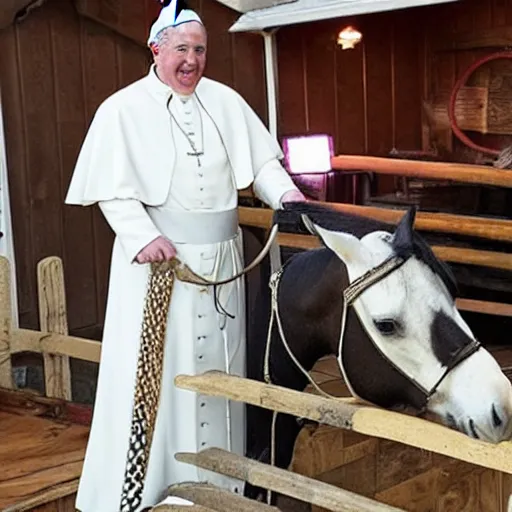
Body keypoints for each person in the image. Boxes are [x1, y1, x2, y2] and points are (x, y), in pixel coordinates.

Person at [64, 1, 306, 511]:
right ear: (156, 50)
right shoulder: (122, 109)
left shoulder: (225, 101)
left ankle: (221, 484)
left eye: (199, 50)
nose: (191, 60)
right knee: (156, 373)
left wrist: (286, 195)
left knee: (224, 367)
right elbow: (113, 190)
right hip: (159, 266)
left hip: (222, 265)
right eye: (181, 49)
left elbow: (261, 162)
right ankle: (149, 487)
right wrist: (141, 235)